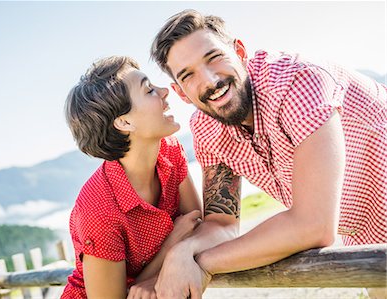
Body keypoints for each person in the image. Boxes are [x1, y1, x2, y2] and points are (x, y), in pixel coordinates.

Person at [149, 9, 387, 298]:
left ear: (240, 51)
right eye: (189, 75)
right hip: (368, 238)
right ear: (181, 92)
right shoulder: (207, 129)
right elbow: (221, 224)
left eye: (214, 58)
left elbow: (314, 225)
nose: (210, 80)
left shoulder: (297, 82)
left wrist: (200, 263)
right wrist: (183, 251)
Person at [61, 56, 202, 299]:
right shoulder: (98, 210)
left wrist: (156, 275)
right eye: (149, 90)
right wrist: (172, 243)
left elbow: (196, 223)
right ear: (124, 122)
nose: (164, 91)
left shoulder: (169, 149)